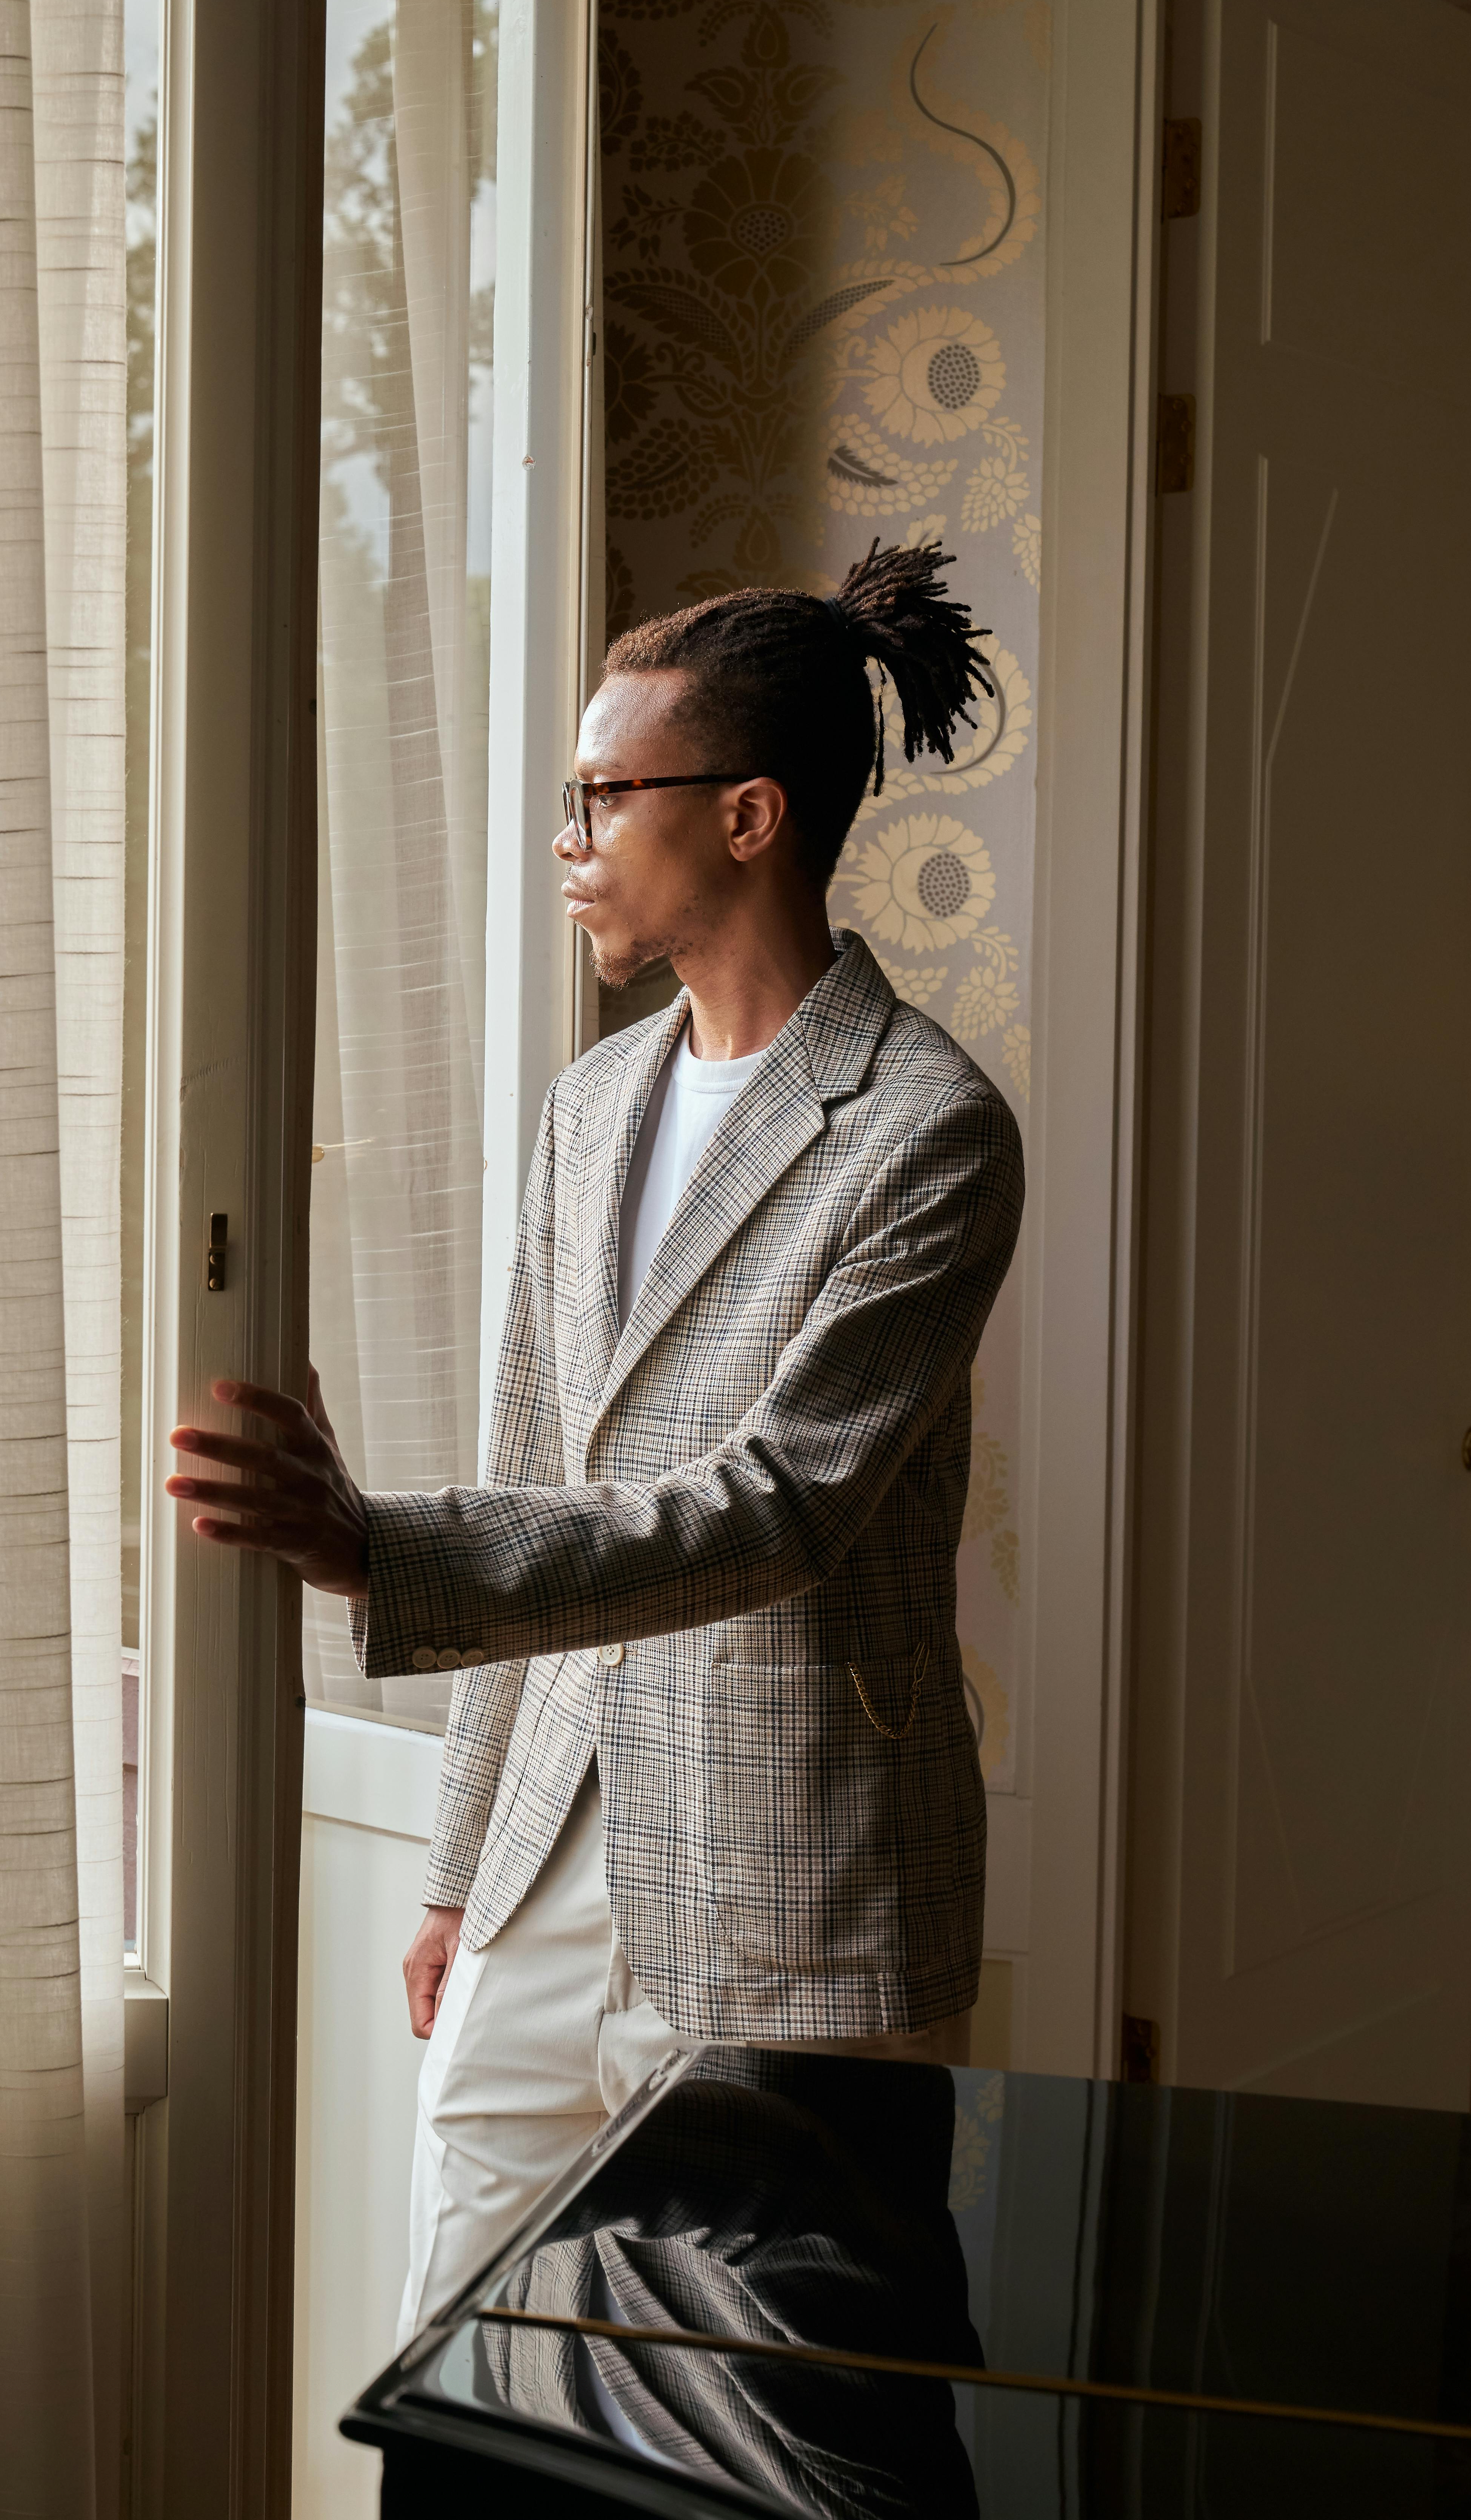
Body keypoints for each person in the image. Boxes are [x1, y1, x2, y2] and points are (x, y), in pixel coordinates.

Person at [166, 541, 1024, 2340]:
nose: (570, 839)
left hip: (792, 1864)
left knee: (789, 2403)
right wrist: (464, 1869)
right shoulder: (593, 1102)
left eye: (601, 795)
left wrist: (371, 1545)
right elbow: (542, 1458)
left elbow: (779, 1508)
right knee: (463, 2347)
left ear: (745, 817)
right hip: (548, 1854)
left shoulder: (929, 1130)